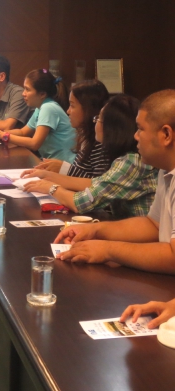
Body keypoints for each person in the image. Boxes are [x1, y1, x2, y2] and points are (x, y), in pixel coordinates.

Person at [54, 89, 175, 274]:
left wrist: (107, 250)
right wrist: (96, 230)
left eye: (141, 129)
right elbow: (152, 225)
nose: (135, 136)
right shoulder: (164, 169)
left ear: (166, 135)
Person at [22, 95, 157, 217]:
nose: (95, 122)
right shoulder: (124, 156)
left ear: (112, 127)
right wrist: (48, 176)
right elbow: (97, 183)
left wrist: (51, 188)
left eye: (98, 119)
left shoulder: (132, 162)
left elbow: (81, 203)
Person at [0, 69, 75, 162]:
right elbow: (23, 132)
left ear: (42, 94)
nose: (23, 94)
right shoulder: (40, 107)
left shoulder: (48, 108)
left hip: (65, 165)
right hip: (52, 163)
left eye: (27, 89)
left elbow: (34, 144)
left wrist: (2, 135)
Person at [25, 80, 111, 179]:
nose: (68, 111)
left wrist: (64, 169)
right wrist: (59, 167)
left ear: (88, 108)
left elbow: (97, 183)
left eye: (72, 106)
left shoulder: (99, 142)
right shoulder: (85, 136)